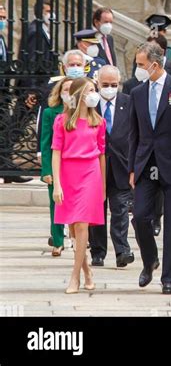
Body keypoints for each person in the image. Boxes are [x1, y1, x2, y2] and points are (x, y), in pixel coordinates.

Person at [128, 42, 171, 294]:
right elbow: (133, 133)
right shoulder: (137, 92)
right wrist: (132, 168)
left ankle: (169, 278)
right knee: (140, 216)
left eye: (140, 65)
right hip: (146, 162)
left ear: (155, 65)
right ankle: (150, 261)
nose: (137, 69)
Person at [52, 77, 106, 294]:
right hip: (68, 173)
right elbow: (56, 152)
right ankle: (86, 271)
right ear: (79, 94)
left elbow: (102, 154)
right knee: (73, 227)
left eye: (95, 90)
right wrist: (57, 184)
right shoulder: (62, 121)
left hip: (90, 174)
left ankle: (74, 276)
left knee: (82, 224)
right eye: (90, 90)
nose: (94, 94)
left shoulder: (99, 121)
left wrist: (103, 185)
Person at [88, 65, 135, 268]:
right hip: (95, 166)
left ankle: (122, 250)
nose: (109, 88)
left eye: (113, 85)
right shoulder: (90, 104)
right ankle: (97, 252)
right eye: (105, 85)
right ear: (98, 83)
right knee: (96, 211)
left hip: (121, 166)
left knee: (120, 211)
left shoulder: (129, 103)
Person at [40, 77, 73, 256]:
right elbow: (45, 143)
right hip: (56, 163)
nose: (68, 93)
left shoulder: (85, 112)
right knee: (56, 204)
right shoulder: (50, 113)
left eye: (71, 89)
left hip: (77, 164)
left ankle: (81, 238)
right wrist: (46, 170)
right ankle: (58, 240)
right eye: (65, 90)